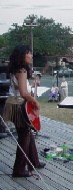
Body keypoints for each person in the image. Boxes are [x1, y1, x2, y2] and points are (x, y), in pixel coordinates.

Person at [3, 45, 45, 177]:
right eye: (29, 53)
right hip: (19, 105)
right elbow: (23, 92)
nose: (31, 55)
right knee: (24, 136)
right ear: (22, 55)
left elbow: (20, 88)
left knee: (27, 133)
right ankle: (19, 169)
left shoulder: (17, 68)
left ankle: (34, 161)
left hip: (13, 103)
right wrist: (35, 101)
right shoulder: (22, 70)